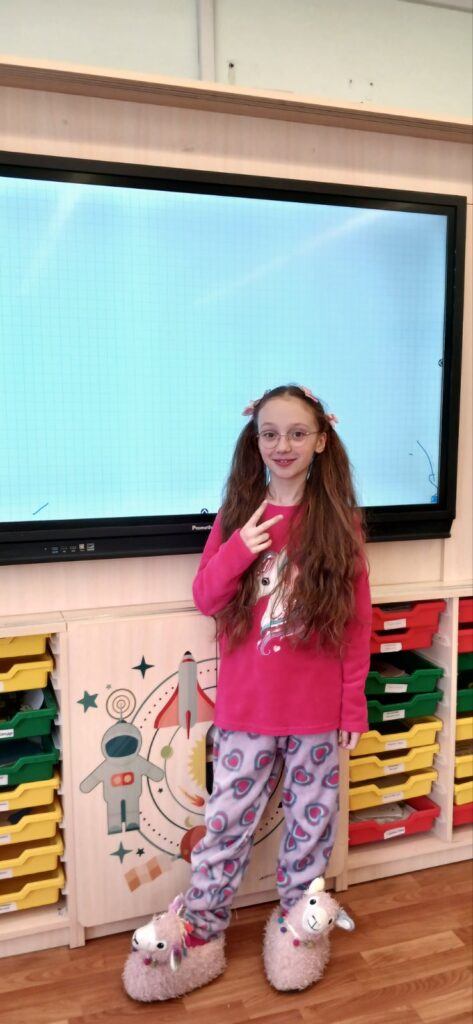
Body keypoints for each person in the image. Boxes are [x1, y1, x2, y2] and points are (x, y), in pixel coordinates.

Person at [130, 383, 372, 1000]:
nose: (282, 445)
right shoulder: (239, 515)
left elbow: (355, 624)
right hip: (246, 713)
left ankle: (297, 925)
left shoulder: (340, 524)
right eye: (270, 433)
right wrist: (241, 547)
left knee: (311, 829)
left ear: (321, 441)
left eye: (297, 433)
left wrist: (351, 706)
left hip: (316, 715)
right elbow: (205, 596)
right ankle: (201, 929)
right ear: (255, 440)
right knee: (226, 825)